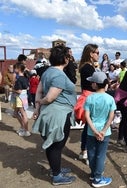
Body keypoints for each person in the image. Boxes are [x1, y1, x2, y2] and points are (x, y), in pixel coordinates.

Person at [32, 45, 77, 185]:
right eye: (68, 56)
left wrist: (37, 107)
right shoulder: (58, 75)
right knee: (56, 145)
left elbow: (39, 91)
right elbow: (50, 97)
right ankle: (56, 176)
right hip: (58, 115)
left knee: (54, 144)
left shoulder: (47, 72)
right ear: (65, 59)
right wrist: (41, 102)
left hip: (50, 113)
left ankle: (55, 169)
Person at [84, 71, 116, 187]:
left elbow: (87, 116)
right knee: (101, 155)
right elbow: (111, 116)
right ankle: (97, 178)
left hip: (91, 131)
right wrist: (103, 131)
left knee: (91, 153)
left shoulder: (89, 98)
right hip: (105, 132)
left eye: (92, 82)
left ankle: (93, 174)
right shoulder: (110, 99)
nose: (91, 84)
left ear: (95, 84)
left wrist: (95, 131)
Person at [74, 44, 98, 162]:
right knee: (90, 127)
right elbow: (93, 84)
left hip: (89, 96)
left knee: (88, 126)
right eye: (97, 52)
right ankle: (86, 151)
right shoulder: (88, 67)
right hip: (91, 97)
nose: (98, 55)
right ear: (91, 53)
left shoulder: (86, 66)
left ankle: (84, 150)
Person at [11, 62, 30, 137]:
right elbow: (27, 87)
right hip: (22, 97)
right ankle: (23, 127)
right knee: (15, 113)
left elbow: (19, 91)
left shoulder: (19, 79)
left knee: (23, 114)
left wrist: (11, 89)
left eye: (15, 68)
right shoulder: (25, 78)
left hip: (20, 98)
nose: (14, 69)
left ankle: (26, 131)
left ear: (18, 69)